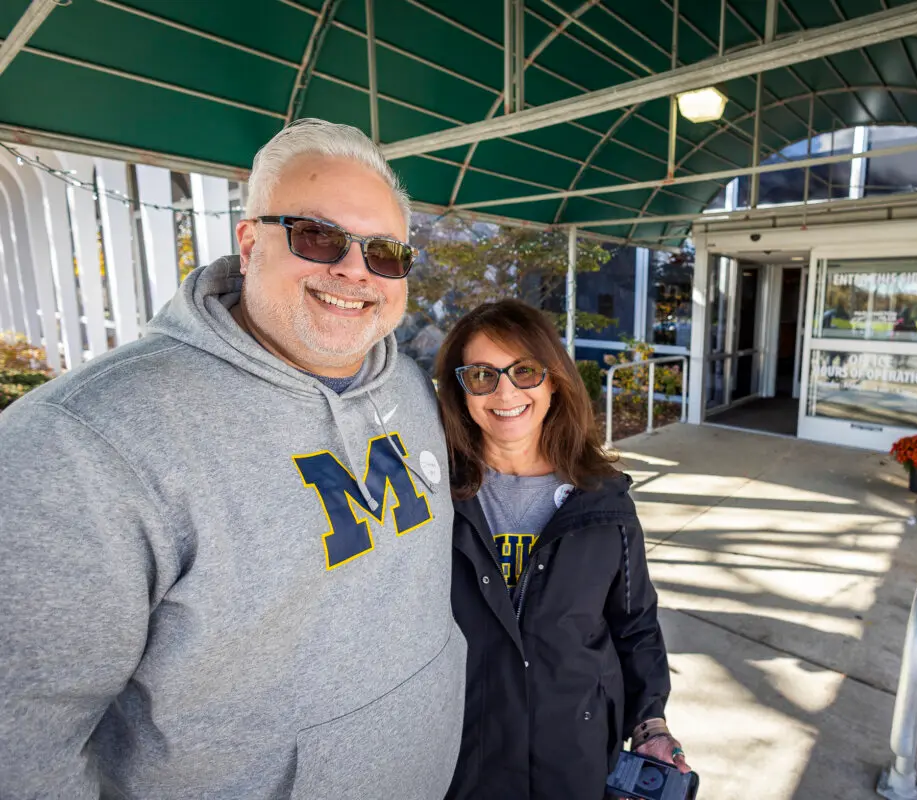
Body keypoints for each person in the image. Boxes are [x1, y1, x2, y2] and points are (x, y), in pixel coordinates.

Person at [0, 119, 466, 798]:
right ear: (250, 243)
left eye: (386, 253)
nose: (354, 270)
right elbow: (20, 751)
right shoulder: (79, 444)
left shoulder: (402, 382)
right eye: (318, 235)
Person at [434, 299, 690, 799]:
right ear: (461, 390)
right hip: (464, 757)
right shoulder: (431, 498)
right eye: (483, 375)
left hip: (575, 754)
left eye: (524, 371)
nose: (505, 391)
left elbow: (634, 624)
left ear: (553, 380)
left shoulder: (604, 500)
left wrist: (650, 724)